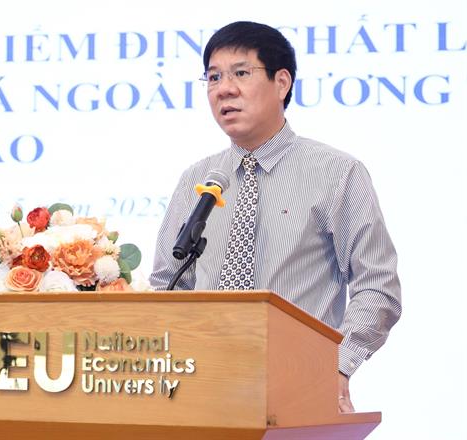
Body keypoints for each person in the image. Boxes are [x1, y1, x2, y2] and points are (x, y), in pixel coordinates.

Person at [149, 21, 401, 413]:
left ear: (281, 82)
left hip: (299, 386)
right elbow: (168, 285)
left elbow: (378, 285)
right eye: (213, 77)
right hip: (204, 389)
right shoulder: (197, 179)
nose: (224, 89)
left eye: (240, 73)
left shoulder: (336, 173)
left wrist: (337, 365)